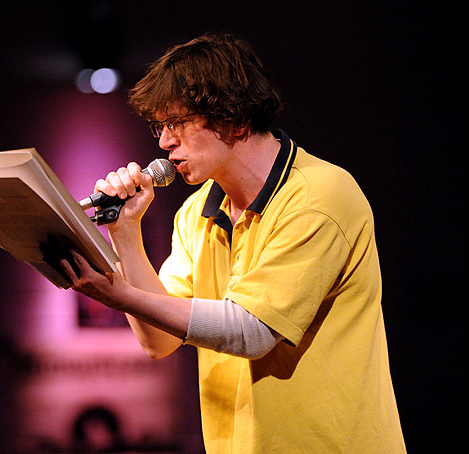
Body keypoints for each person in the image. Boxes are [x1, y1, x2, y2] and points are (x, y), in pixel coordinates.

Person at [59, 33, 406, 453]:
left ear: (234, 119)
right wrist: (125, 232)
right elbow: (159, 340)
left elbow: (252, 331)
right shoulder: (195, 212)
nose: (164, 142)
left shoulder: (319, 196)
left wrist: (120, 296)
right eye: (160, 127)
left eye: (176, 123)